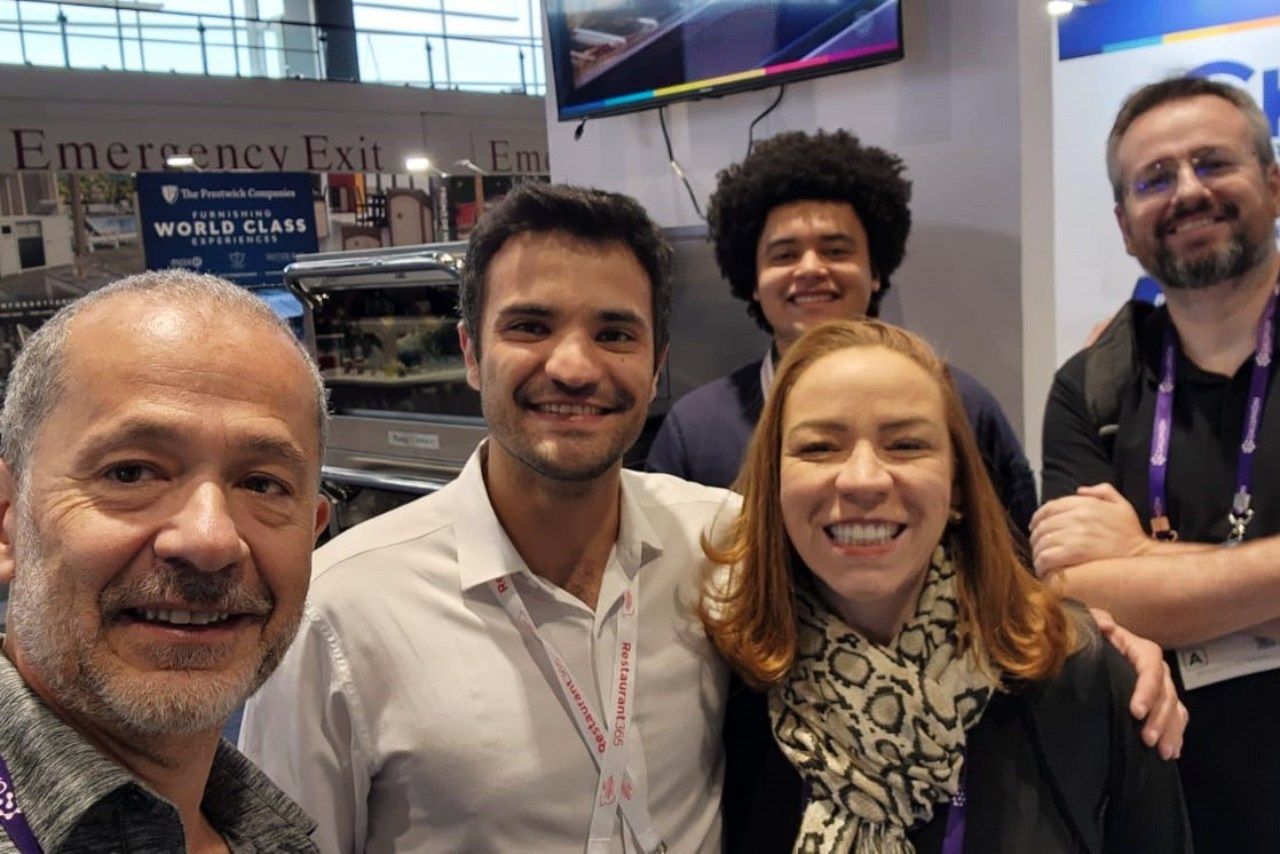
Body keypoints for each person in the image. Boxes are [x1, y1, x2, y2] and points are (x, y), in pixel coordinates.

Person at [239, 183, 736, 852]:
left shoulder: (722, 544)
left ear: (655, 368)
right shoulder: (337, 615)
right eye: (530, 326)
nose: (573, 366)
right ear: (471, 353)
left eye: (614, 333)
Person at [706, 319, 1190, 852]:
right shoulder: (721, 687)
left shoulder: (1079, 674)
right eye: (820, 448)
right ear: (774, 481)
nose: (863, 479)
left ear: (957, 484)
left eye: (906, 444)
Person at [1032, 76, 1280, 852]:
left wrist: (1145, 561)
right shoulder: (1092, 384)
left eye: (1213, 163)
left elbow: (1122, 578)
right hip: (1168, 810)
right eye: (1155, 179)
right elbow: (1077, 595)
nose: (1188, 192)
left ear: (1274, 183)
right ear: (1124, 223)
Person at [0, 271, 331, 852]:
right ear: (7, 521)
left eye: (262, 483)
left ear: (314, 532)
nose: (209, 541)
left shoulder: (266, 830)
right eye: (130, 472)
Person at [647, 130, 1037, 533]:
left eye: (836, 251)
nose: (811, 268)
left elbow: (1016, 563)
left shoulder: (960, 405)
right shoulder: (694, 431)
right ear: (752, 280)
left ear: (876, 272)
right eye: (785, 255)